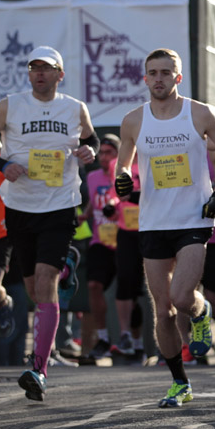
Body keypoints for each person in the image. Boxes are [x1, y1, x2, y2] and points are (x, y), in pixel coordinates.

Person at [114, 48, 215, 407]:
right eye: (152, 72)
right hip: (153, 221)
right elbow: (123, 165)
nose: (158, 79)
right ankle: (179, 382)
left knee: (181, 297)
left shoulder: (199, 113)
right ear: (145, 78)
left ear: (177, 78)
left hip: (193, 217)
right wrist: (123, 179)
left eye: (165, 72)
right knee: (163, 310)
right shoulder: (133, 120)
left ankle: (201, 312)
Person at [0, 46, 99, 400]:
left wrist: (88, 151)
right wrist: (3, 166)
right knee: (32, 289)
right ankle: (66, 264)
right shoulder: (10, 105)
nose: (40, 73)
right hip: (20, 207)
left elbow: (91, 140)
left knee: (43, 284)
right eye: (34, 68)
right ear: (29, 74)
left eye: (47, 68)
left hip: (59, 206)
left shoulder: (75, 108)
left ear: (60, 74)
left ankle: (39, 368)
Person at [79, 134, 121, 364]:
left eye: (109, 153)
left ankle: (129, 341)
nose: (104, 157)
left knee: (127, 293)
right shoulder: (93, 176)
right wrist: (84, 215)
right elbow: (92, 201)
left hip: (124, 239)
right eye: (101, 153)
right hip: (99, 241)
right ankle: (103, 338)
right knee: (94, 285)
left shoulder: (127, 175)